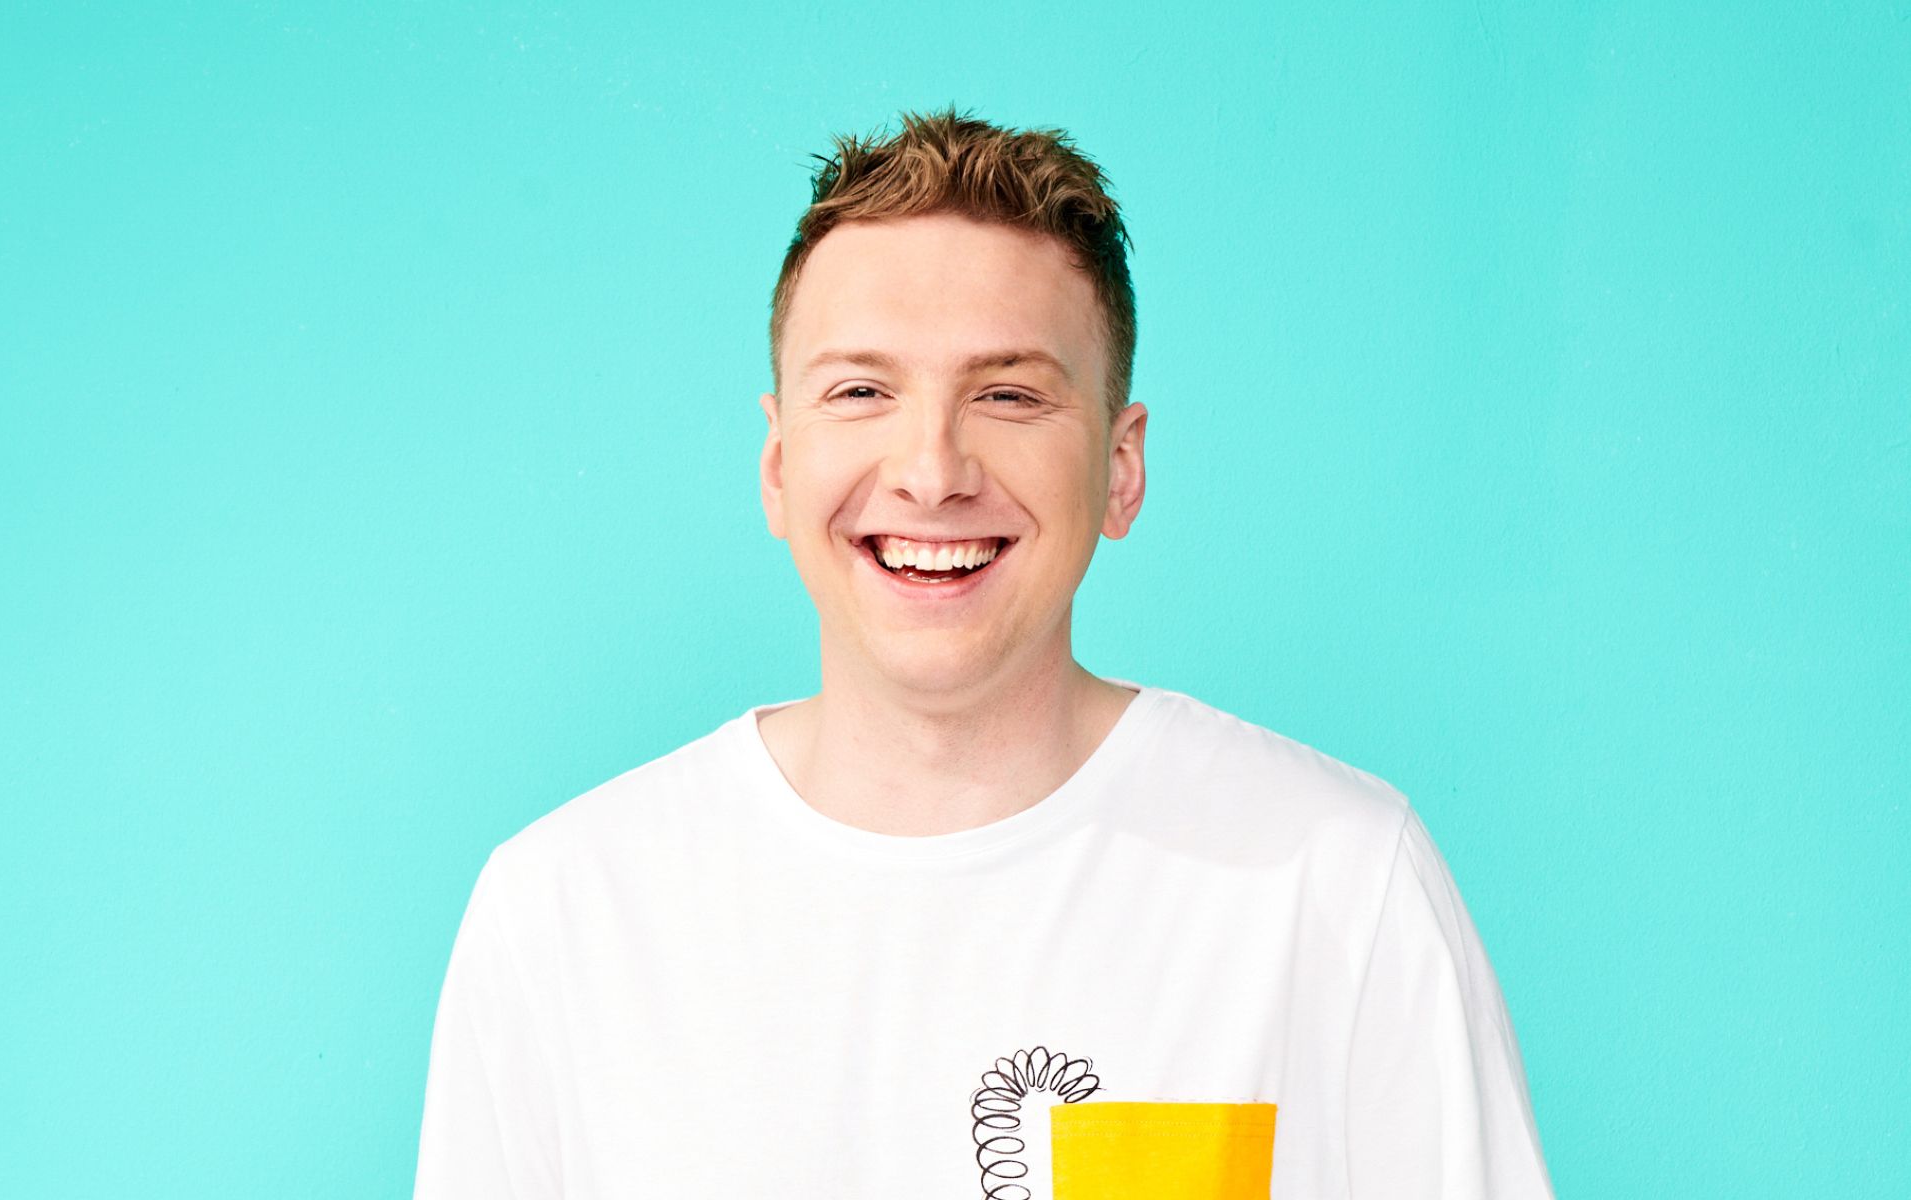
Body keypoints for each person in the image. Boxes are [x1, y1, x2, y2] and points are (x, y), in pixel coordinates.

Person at [412, 107, 1555, 1199]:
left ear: (1119, 466)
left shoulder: (1337, 884)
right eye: (861, 390)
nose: (931, 469)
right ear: (776, 464)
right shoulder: (563, 913)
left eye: (1008, 393)